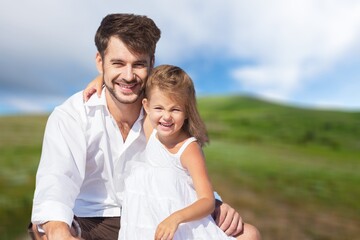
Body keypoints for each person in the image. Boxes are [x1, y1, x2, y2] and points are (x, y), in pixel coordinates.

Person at [29, 13, 258, 240]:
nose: (128, 76)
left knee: (247, 234)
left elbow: (179, 163)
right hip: (90, 220)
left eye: (138, 65)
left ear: (151, 63)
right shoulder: (72, 115)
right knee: (48, 232)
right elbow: (56, 183)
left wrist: (215, 202)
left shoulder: (159, 112)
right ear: (100, 62)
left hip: (153, 212)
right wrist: (57, 229)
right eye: (118, 63)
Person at [116, 64, 261, 240]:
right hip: (148, 221)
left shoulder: (188, 149)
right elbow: (126, 81)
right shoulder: (151, 129)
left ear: (186, 111)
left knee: (251, 234)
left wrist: (175, 219)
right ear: (146, 106)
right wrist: (99, 79)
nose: (166, 116)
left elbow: (207, 200)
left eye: (175, 109)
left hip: (181, 224)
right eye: (159, 108)